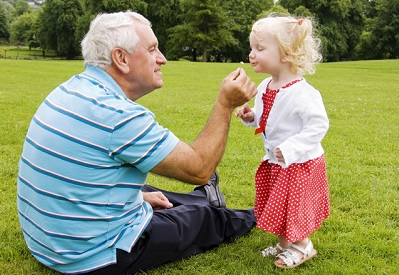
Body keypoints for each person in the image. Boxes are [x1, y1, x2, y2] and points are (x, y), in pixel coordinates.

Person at [16, 11, 258, 274]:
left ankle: (203, 196)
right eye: (152, 49)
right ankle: (258, 216)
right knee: (202, 220)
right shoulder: (117, 115)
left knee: (145, 189)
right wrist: (225, 104)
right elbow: (200, 169)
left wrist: (140, 197)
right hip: (93, 255)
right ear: (121, 58)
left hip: (48, 242)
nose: (162, 59)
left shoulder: (68, 90)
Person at [235, 14, 330, 269]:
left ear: (286, 53)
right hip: (277, 160)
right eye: (252, 47)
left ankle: (303, 246)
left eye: (260, 48)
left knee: (293, 205)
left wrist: (291, 148)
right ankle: (284, 244)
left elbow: (318, 125)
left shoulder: (303, 93)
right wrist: (251, 117)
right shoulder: (266, 85)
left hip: (299, 162)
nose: (252, 54)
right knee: (278, 202)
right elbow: (265, 118)